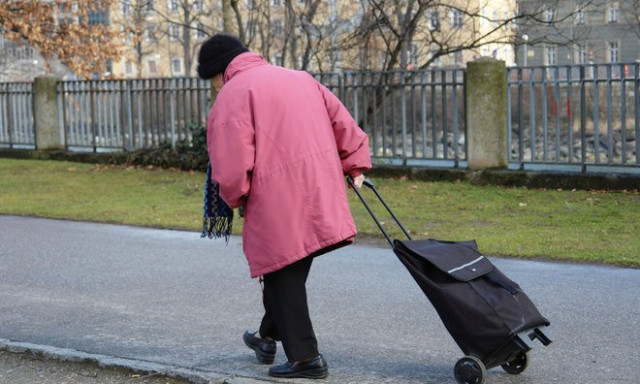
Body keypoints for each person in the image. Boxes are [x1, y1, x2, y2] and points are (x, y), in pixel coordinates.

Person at [197, 33, 372, 379]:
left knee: (280, 274)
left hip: (275, 197)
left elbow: (230, 167)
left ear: (218, 72)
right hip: (320, 188)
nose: (214, 88)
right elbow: (343, 124)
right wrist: (356, 164)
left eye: (211, 81)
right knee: (287, 268)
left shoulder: (233, 94)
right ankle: (267, 335)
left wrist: (238, 198)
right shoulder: (300, 78)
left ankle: (306, 358)